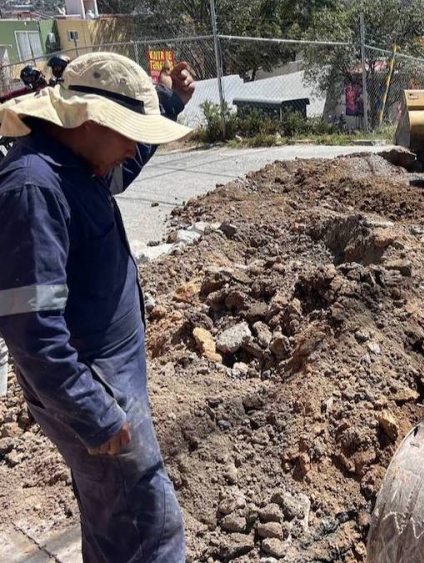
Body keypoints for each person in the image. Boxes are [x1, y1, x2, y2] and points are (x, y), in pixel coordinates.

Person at [0, 52, 195, 562]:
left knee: (114, 521)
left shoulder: (78, 163)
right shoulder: (34, 190)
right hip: (92, 383)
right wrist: (94, 413)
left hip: (106, 376)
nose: (133, 145)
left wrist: (169, 103)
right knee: (149, 528)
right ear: (88, 120)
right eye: (128, 130)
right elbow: (32, 331)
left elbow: (124, 162)